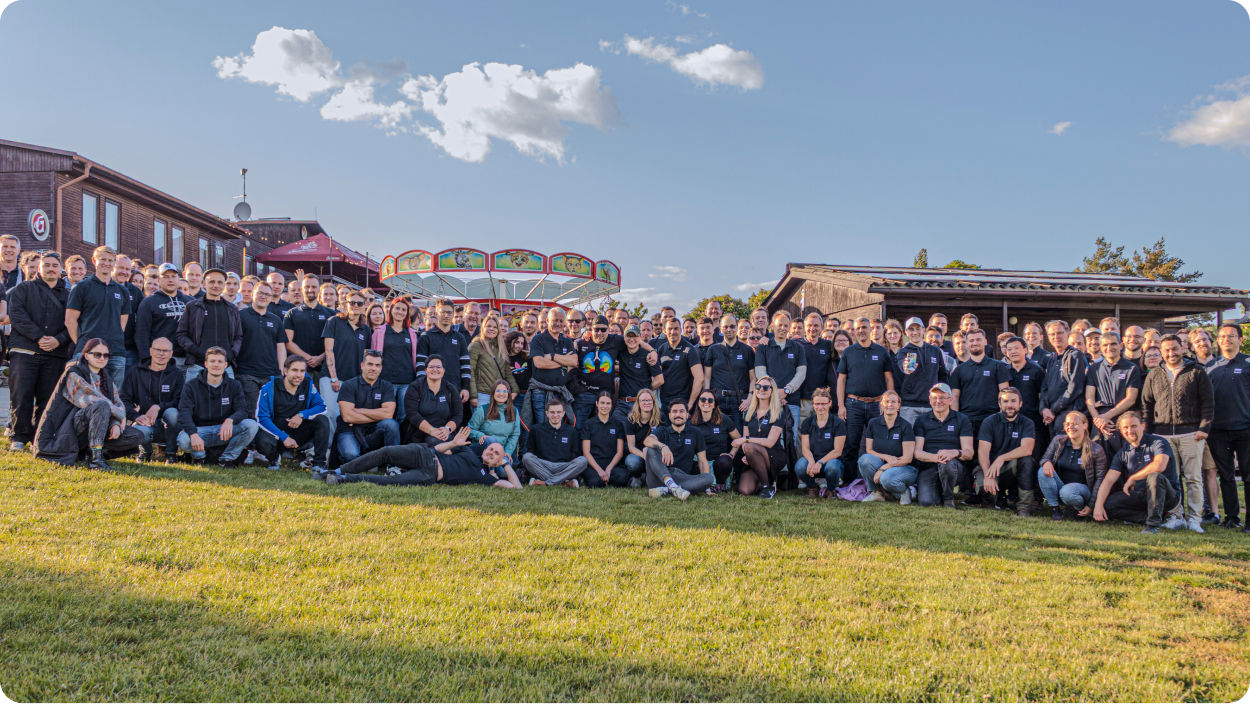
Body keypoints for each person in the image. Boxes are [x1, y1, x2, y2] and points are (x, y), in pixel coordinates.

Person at [32, 337, 143, 468]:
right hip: (66, 430)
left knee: (137, 435)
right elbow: (91, 399)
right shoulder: (73, 373)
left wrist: (116, 423)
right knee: (101, 405)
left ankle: (88, 453)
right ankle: (96, 459)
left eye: (106, 355)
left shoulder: (105, 378)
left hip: (92, 429)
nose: (102, 358)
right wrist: (118, 415)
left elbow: (117, 403)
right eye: (97, 354)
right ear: (86, 355)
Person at [1142, 334, 1214, 533]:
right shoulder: (1154, 374)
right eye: (1166, 350)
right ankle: (1175, 515)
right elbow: (1147, 406)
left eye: (1174, 349)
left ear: (1182, 348)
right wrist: (1149, 434)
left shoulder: (1197, 371)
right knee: (1170, 478)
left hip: (1191, 433)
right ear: (1162, 352)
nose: (1171, 353)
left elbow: (1208, 402)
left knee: (1193, 478)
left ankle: (1194, 518)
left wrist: (1203, 428)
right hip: (1163, 435)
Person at [7, 252, 71, 452]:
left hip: (55, 353)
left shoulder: (69, 295)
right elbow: (17, 316)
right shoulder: (23, 289)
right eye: (46, 265)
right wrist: (39, 337)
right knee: (21, 395)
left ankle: (40, 436)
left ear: (61, 269)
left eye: (54, 265)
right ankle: (19, 436)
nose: (51, 268)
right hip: (24, 351)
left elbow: (74, 322)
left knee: (47, 398)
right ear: (39, 268)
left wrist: (59, 340)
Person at [325, 426, 523, 488]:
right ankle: (338, 470)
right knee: (386, 452)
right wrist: (454, 443)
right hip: (425, 454)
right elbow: (438, 448)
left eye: (496, 453)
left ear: (499, 460)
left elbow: (516, 488)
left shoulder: (485, 477)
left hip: (430, 476)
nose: (490, 452)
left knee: (391, 481)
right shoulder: (469, 451)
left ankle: (343, 478)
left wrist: (505, 463)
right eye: (491, 449)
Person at [1093, 412, 1182, 533]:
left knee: (1154, 476)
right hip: (1141, 495)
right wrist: (1098, 506)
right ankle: (1150, 517)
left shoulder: (1158, 442)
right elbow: (1108, 480)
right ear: (1120, 430)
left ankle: (1152, 525)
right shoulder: (1123, 453)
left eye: (1134, 426)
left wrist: (1133, 478)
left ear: (1143, 426)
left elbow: (1159, 466)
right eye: (1125, 427)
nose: (1130, 430)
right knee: (1108, 505)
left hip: (1167, 496)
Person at [174, 346, 257, 466]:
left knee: (251, 425)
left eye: (220, 361)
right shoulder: (191, 386)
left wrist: (230, 420)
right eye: (212, 361)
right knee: (183, 440)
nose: (216, 365)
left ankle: (225, 459)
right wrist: (193, 434)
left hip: (223, 431)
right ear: (206, 364)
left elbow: (242, 410)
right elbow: (184, 412)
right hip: (200, 431)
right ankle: (199, 457)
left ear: (225, 365)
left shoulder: (234, 385)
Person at [254, 355, 332, 472]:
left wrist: (302, 415)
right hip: (275, 434)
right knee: (262, 440)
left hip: (298, 433)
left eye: (302, 371)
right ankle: (274, 458)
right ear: (285, 371)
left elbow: (322, 407)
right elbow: (261, 418)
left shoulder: (308, 384)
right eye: (294, 370)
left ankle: (318, 463)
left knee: (322, 420)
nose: (298, 375)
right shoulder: (269, 388)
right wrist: (283, 436)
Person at [65, 246, 128, 386]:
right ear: (94, 260)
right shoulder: (81, 287)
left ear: (114, 263)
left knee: (114, 398)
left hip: (115, 352)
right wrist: (83, 344)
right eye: (103, 259)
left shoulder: (122, 291)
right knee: (86, 397)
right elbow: (70, 321)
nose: (106, 263)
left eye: (110, 260)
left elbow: (122, 324)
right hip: (88, 353)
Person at [836, 317, 894, 468]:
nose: (861, 330)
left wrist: (890, 403)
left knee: (879, 444)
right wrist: (841, 406)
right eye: (858, 328)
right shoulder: (848, 352)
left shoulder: (882, 352)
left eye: (864, 327)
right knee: (851, 445)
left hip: (877, 404)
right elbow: (841, 381)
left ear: (870, 329)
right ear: (854, 332)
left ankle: (877, 482)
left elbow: (889, 380)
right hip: (853, 404)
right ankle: (849, 483)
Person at [574, 315, 654, 423]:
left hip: (605, 393)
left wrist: (653, 351)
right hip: (585, 393)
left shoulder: (615, 340)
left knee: (605, 427)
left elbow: (635, 340)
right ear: (590, 329)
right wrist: (578, 388)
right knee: (579, 426)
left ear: (608, 330)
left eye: (603, 329)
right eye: (596, 329)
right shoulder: (581, 342)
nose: (599, 332)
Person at [120, 337, 184, 462]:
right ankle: (145, 453)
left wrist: (158, 407)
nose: (161, 354)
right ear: (150, 351)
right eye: (157, 350)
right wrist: (135, 417)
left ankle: (170, 454)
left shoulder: (177, 374)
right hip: (145, 423)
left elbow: (179, 401)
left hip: (168, 426)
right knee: (140, 430)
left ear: (171, 354)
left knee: (173, 413)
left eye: (165, 351)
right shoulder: (135, 372)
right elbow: (123, 399)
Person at [976, 388, 1038, 515]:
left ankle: (1024, 507)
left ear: (1020, 403)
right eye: (1005, 401)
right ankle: (992, 500)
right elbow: (983, 452)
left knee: (1027, 461)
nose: (1009, 405)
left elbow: (1027, 449)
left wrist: (1002, 458)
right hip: (990, 468)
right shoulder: (989, 421)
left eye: (1013, 401)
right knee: (984, 490)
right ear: (1000, 404)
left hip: (1010, 470)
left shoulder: (1027, 423)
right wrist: (988, 475)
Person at [912, 383, 975, 508]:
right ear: (930, 400)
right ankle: (939, 491)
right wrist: (936, 457)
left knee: (947, 462)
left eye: (942, 397)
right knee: (926, 502)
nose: (938, 401)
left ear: (950, 400)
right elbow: (917, 452)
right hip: (929, 467)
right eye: (934, 398)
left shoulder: (962, 419)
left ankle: (948, 499)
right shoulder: (921, 420)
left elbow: (969, 452)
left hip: (954, 468)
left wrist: (954, 452)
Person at [1037, 411, 1107, 521]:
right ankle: (1056, 510)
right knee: (1042, 471)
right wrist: (1047, 462)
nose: (1070, 427)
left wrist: (1091, 505)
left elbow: (1100, 480)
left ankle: (1079, 510)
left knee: (1067, 491)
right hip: (1061, 488)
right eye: (1067, 424)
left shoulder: (1096, 450)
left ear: (1085, 425)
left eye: (1075, 424)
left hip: (1081, 492)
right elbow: (1045, 458)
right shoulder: (1058, 441)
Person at [176, 268, 241, 382]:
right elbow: (181, 334)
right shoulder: (192, 307)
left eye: (220, 282)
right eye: (212, 282)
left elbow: (238, 336)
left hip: (225, 366)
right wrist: (197, 351)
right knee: (194, 399)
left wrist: (231, 354)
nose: (216, 285)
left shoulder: (232, 309)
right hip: (198, 365)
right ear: (204, 284)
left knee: (227, 399)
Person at [334, 350, 399, 464]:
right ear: (362, 366)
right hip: (349, 431)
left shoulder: (386, 386)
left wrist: (359, 411)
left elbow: (388, 414)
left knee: (391, 424)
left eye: (377, 365)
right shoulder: (349, 385)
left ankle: (393, 466)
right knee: (351, 455)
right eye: (370, 364)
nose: (373, 368)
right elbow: (348, 417)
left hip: (373, 432)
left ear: (381, 368)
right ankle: (367, 460)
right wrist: (378, 415)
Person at [1084, 331, 1143, 456]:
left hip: (1123, 422)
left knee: (1124, 460)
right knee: (1099, 460)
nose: (1109, 348)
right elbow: (1089, 397)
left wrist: (1107, 416)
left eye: (1113, 344)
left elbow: (1131, 398)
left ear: (1121, 345)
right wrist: (1097, 419)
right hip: (1099, 423)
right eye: (1105, 345)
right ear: (1100, 348)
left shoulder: (1131, 368)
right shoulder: (1094, 369)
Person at [730, 375, 788, 498]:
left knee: (750, 446)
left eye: (766, 387)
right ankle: (765, 481)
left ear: (772, 391)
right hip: (753, 454)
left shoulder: (778, 413)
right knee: (745, 490)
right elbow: (746, 441)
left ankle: (767, 488)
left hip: (773, 454)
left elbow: (770, 442)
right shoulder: (749, 412)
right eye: (758, 386)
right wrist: (747, 454)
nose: (761, 389)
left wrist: (746, 442)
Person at [235, 281, 287, 418]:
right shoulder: (240, 316)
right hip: (246, 373)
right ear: (253, 294)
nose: (263, 297)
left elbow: (281, 347)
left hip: (271, 374)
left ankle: (268, 439)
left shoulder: (276, 320)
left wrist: (281, 370)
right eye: (260, 293)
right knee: (250, 412)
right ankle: (251, 439)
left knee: (269, 412)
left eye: (267, 294)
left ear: (271, 298)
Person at [643, 400, 714, 500]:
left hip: (682, 477)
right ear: (669, 415)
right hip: (658, 477)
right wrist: (663, 446)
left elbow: (702, 462)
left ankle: (666, 490)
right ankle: (671, 486)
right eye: (674, 411)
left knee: (708, 478)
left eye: (681, 411)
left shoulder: (695, 432)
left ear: (687, 415)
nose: (678, 414)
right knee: (651, 448)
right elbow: (647, 440)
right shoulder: (663, 431)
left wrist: (707, 489)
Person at [321, 290, 370, 425]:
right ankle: (329, 446)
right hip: (331, 377)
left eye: (359, 303)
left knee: (347, 417)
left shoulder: (366, 329)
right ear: (345, 304)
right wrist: (334, 377)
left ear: (364, 306)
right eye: (352, 302)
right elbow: (328, 350)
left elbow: (366, 356)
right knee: (331, 414)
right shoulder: (334, 322)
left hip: (353, 379)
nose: (355, 305)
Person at [860, 390, 917, 503]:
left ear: (899, 405)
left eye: (893, 402)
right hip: (884, 463)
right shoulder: (873, 423)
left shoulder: (906, 426)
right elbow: (869, 450)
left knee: (886, 478)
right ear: (881, 404)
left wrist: (883, 469)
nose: (890, 405)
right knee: (864, 460)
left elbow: (907, 458)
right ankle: (877, 492)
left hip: (904, 468)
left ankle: (904, 491)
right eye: (887, 401)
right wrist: (886, 457)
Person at [135, 264, 194, 369]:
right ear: (158, 280)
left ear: (178, 278)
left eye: (173, 276)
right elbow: (142, 335)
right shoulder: (148, 303)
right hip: (161, 360)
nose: (170, 280)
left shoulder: (191, 302)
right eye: (165, 277)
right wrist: (148, 361)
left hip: (188, 361)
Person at [701, 314, 753, 431]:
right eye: (725, 327)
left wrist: (750, 398)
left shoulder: (747, 350)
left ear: (737, 328)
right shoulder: (713, 349)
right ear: (720, 329)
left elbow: (753, 378)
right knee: (718, 434)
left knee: (739, 435)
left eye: (732, 326)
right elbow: (707, 377)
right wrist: (708, 397)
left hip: (740, 401)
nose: (729, 329)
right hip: (718, 399)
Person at [416, 299, 472, 406]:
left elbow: (465, 366)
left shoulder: (459, 337)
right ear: (437, 314)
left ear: (453, 315)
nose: (446, 315)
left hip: (456, 389)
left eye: (449, 313)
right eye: (443, 312)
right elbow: (420, 365)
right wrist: (422, 388)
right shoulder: (426, 337)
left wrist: (465, 388)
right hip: (431, 390)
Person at [374, 297, 419, 429]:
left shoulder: (412, 333)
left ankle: (401, 447)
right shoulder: (380, 331)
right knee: (386, 415)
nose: (400, 311)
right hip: (386, 380)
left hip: (407, 381)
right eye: (397, 308)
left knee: (404, 416)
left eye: (404, 309)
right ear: (391, 310)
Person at [522, 397, 587, 487]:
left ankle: (547, 482)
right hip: (543, 466)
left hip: (563, 467)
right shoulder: (536, 429)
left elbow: (573, 455)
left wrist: (568, 469)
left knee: (583, 461)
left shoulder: (571, 431)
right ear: (547, 413)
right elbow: (531, 452)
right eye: (552, 412)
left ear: (563, 413)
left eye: (559, 412)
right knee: (526, 457)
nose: (555, 415)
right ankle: (562, 482)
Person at [895, 317, 948, 426]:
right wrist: (906, 368)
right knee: (909, 440)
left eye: (918, 328)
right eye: (911, 329)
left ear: (923, 330)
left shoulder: (935, 351)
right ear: (906, 332)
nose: (915, 332)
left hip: (932, 404)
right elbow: (902, 368)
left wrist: (943, 398)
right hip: (909, 406)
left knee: (930, 440)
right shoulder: (903, 351)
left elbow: (943, 377)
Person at [283, 275, 334, 385]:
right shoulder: (291, 314)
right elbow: (287, 342)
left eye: (314, 287)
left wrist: (320, 358)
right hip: (300, 371)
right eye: (307, 287)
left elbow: (337, 342)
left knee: (321, 402)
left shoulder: (331, 314)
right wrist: (308, 358)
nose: (310, 290)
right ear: (302, 289)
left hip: (325, 370)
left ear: (319, 289)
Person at [795, 387, 845, 498]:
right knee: (799, 466)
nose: (820, 407)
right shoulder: (807, 422)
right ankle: (812, 487)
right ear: (813, 404)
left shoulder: (838, 423)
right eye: (817, 404)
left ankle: (831, 489)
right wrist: (812, 461)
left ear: (830, 403)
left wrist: (820, 462)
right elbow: (805, 448)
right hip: (813, 460)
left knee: (833, 467)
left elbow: (838, 451)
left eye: (823, 404)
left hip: (831, 461)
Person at [1001, 336, 1046, 458]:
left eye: (1017, 348)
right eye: (1010, 349)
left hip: (1033, 422)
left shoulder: (1036, 370)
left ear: (1025, 350)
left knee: (1034, 458)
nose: (1013, 352)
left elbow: (1043, 395)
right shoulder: (1003, 371)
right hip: (1011, 422)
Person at [1040, 320, 1088, 432]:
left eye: (1060, 333)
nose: (1056, 337)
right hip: (1051, 416)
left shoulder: (1075, 356)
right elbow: (1045, 387)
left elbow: (1075, 388)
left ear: (1068, 333)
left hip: (1069, 416)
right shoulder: (1051, 359)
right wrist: (1043, 409)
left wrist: (1053, 410)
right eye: (1052, 334)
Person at [403, 354, 463, 445]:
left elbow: (458, 414)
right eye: (431, 367)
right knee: (433, 441)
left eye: (438, 367)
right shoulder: (415, 387)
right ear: (426, 370)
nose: (435, 370)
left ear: (444, 370)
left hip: (444, 433)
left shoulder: (450, 389)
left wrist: (447, 429)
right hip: (419, 433)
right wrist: (431, 430)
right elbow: (411, 413)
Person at [691, 389, 741, 491]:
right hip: (700, 462)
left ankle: (720, 485)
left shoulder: (724, 419)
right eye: (703, 399)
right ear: (698, 403)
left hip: (719, 462)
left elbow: (738, 439)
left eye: (710, 400)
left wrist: (731, 455)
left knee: (725, 461)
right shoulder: (691, 423)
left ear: (715, 404)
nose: (706, 402)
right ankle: (706, 485)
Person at [655, 317, 704, 418]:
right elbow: (658, 376)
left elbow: (699, 377)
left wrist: (689, 404)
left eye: (676, 329)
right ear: (665, 331)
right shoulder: (662, 348)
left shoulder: (690, 349)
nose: (673, 332)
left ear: (681, 330)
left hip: (683, 402)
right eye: (670, 329)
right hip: (665, 403)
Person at [615, 324, 663, 425]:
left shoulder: (648, 356)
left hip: (640, 403)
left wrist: (644, 391)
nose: (631, 339)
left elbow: (660, 380)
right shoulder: (621, 352)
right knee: (616, 429)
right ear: (624, 337)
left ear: (640, 337)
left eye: (635, 336)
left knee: (638, 434)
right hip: (622, 403)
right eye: (629, 336)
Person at [468, 379, 522, 465]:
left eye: (505, 391)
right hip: (483, 449)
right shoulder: (483, 409)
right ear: (493, 393)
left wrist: (508, 452)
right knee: (491, 439)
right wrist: (480, 435)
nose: (501, 394)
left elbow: (514, 435)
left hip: (501, 452)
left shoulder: (514, 411)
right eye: (498, 391)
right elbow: (469, 429)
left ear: (508, 394)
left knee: (503, 472)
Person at [579, 391, 628, 487]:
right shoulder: (588, 424)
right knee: (594, 482)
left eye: (608, 403)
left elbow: (620, 452)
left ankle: (604, 481)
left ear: (611, 405)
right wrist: (600, 471)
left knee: (623, 478)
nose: (605, 406)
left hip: (612, 465)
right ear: (596, 404)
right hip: (593, 465)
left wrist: (609, 469)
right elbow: (586, 452)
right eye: (602, 403)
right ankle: (602, 481)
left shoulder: (618, 425)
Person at [469, 315, 518, 408]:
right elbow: (470, 372)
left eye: (495, 327)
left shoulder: (500, 348)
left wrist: (515, 389)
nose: (492, 329)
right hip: (482, 395)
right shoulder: (476, 346)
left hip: (499, 395)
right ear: (483, 327)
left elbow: (507, 372)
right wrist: (473, 395)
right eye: (488, 326)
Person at [797, 312, 834, 425]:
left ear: (822, 327)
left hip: (821, 398)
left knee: (821, 429)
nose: (812, 329)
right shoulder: (796, 344)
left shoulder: (828, 345)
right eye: (809, 325)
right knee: (802, 430)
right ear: (804, 327)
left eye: (816, 326)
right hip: (802, 398)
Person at [112, 254, 144, 372]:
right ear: (112, 267)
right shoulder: (104, 288)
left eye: (127, 269)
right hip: (104, 348)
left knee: (127, 387)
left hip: (129, 348)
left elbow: (142, 321)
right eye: (120, 268)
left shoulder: (136, 292)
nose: (124, 272)